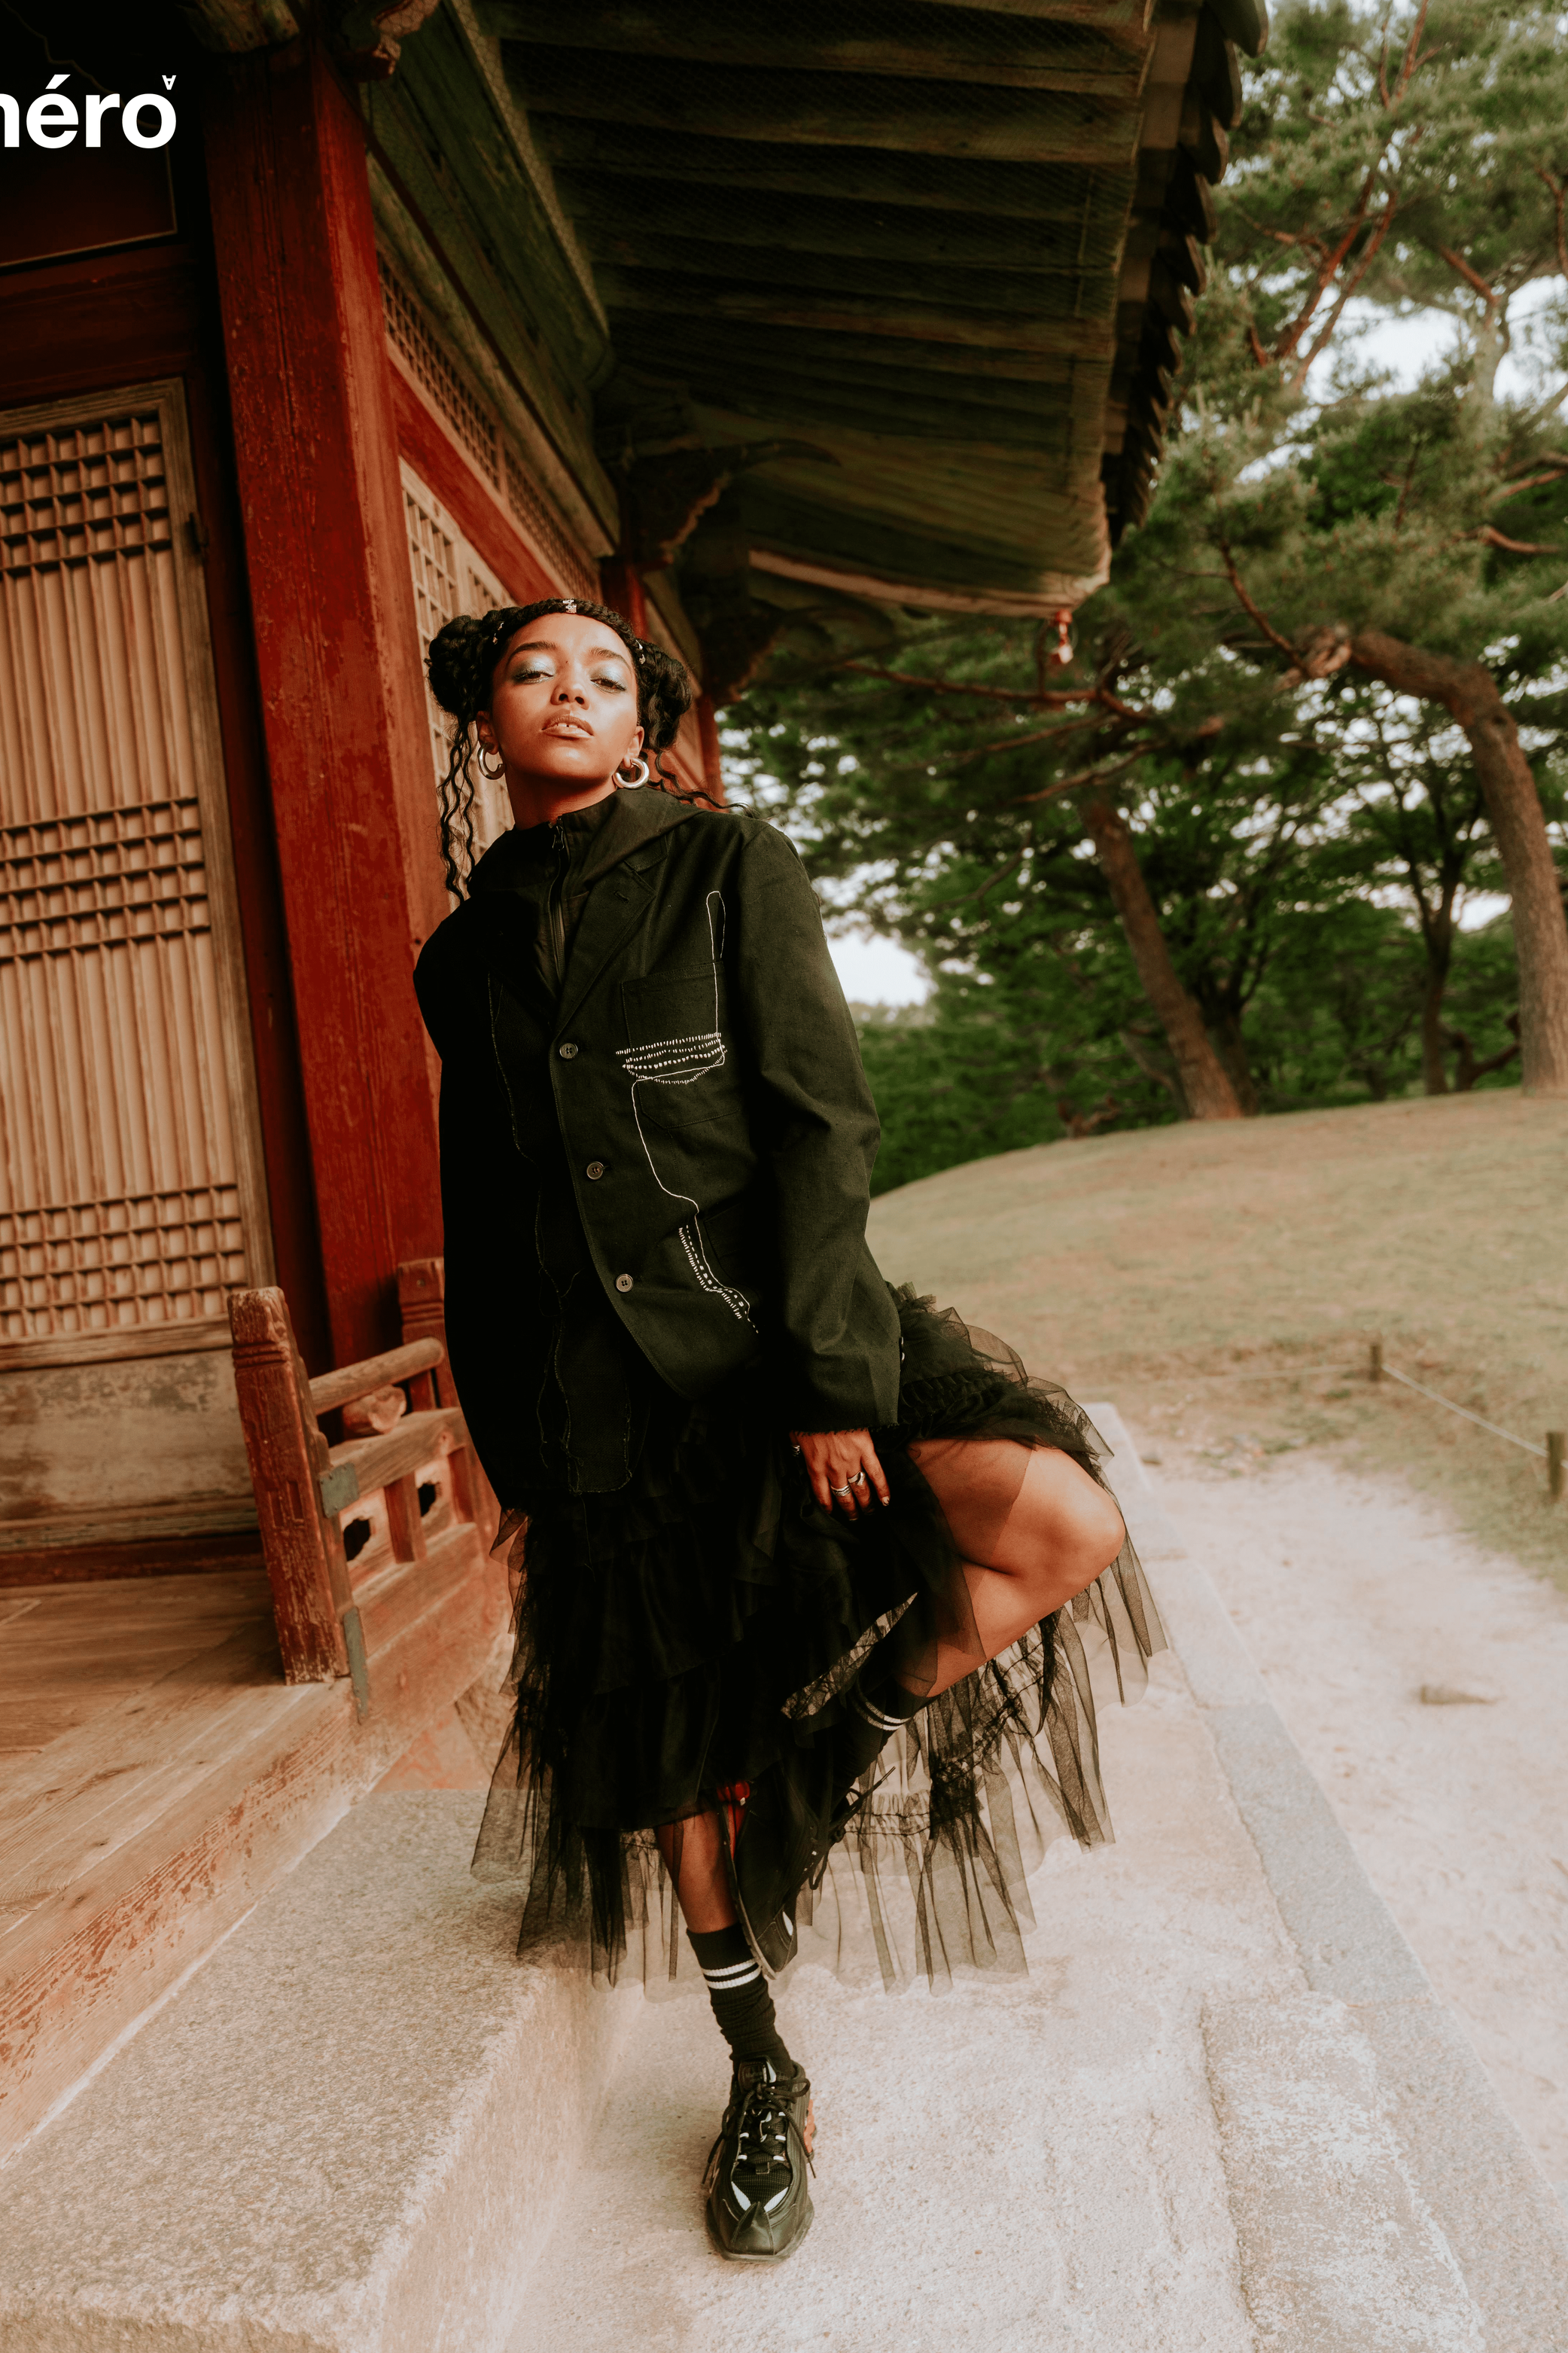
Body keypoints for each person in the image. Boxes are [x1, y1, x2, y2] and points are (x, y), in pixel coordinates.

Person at [412, 596, 1161, 2266]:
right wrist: (517, 1456)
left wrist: (834, 1377)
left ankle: (820, 1763)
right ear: (487, 718)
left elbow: (821, 1121)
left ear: (641, 721)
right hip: (602, 1405)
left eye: (606, 674)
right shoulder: (455, 960)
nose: (571, 692)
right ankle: (759, 2067)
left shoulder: (726, 868)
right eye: (535, 670)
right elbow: (490, 1215)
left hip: (784, 1343)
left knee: (1057, 1526)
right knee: (673, 1752)